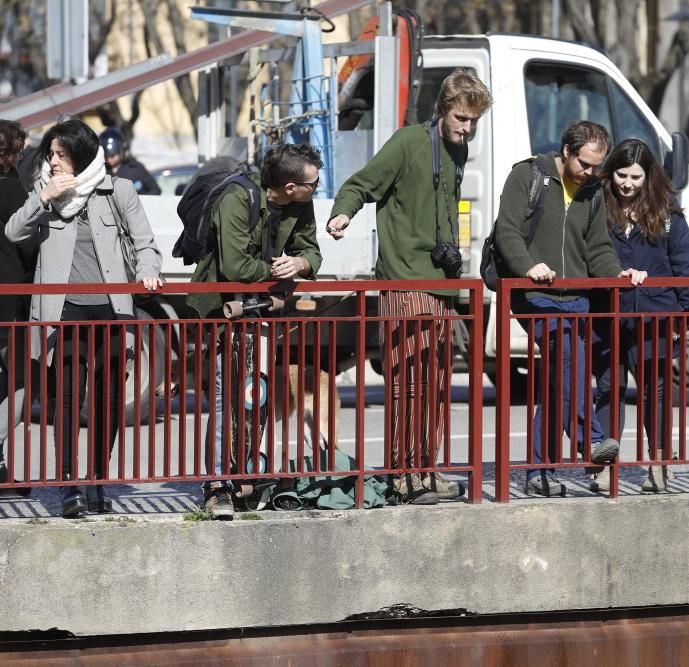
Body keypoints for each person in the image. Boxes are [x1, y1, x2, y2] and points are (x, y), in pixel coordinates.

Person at [326, 68, 493, 505]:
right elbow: (361, 184)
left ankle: (426, 467)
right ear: (442, 109)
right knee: (406, 381)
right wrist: (342, 214)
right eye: (461, 118)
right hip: (403, 281)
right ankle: (403, 475)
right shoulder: (408, 142)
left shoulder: (457, 148)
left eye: (474, 120)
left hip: (440, 284)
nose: (467, 127)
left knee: (436, 385)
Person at [5, 118, 163, 517]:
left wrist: (148, 269)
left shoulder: (118, 190)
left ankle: (96, 478)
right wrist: (44, 197)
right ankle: (68, 486)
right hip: (64, 311)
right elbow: (13, 233)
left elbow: (144, 242)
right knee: (68, 400)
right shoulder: (44, 192)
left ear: (81, 155)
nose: (54, 161)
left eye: (62, 155)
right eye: (51, 154)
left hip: (112, 310)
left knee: (109, 402)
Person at [493, 120, 646, 497]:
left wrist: (617, 273)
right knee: (569, 357)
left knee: (558, 379)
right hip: (533, 293)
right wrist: (528, 265)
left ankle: (538, 471)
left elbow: (597, 248)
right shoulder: (527, 176)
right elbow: (507, 231)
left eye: (597, 166)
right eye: (585, 164)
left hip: (575, 296)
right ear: (566, 151)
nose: (592, 173)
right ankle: (589, 439)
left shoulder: (593, 190)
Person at [189, 143, 323, 519]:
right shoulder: (237, 198)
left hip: (262, 311)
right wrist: (277, 271)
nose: (317, 188)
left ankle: (245, 477)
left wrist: (300, 262)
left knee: (255, 396)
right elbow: (235, 267)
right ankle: (217, 485)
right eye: (313, 183)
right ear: (291, 186)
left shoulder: (300, 202)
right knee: (224, 398)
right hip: (222, 310)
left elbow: (312, 251)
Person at [590, 138, 689, 494]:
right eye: (621, 174)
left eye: (635, 176)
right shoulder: (597, 205)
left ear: (648, 175)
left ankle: (659, 463)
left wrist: (687, 317)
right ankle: (606, 467)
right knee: (609, 391)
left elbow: (686, 266)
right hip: (609, 315)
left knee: (656, 394)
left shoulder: (666, 212)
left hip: (656, 318)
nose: (627, 183)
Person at [0, 119, 35, 496]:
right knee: (20, 383)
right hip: (9, 305)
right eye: (20, 150)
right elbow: (29, 247)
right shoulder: (13, 193)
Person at [98, 127, 161, 195]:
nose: (109, 160)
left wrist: (138, 200)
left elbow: (155, 190)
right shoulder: (100, 171)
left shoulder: (136, 168)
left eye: (113, 156)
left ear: (121, 152)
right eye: (106, 156)